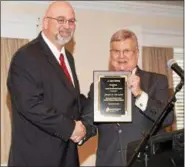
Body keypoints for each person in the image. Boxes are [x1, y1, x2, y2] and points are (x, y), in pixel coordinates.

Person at [7, 1, 95, 167]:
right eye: (60, 20)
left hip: (66, 157)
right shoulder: (25, 56)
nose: (67, 26)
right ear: (45, 22)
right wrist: (71, 128)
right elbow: (30, 105)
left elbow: (72, 101)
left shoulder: (68, 58)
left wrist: (100, 102)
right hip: (36, 160)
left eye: (71, 21)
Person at [86, 29, 174, 166]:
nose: (121, 56)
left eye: (126, 51)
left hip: (145, 162)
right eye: (116, 51)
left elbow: (167, 119)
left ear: (136, 53)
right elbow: (89, 122)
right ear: (110, 54)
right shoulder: (98, 85)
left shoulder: (157, 81)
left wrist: (139, 93)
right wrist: (75, 130)